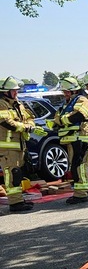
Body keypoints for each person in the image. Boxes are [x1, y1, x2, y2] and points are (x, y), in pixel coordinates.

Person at [0, 76, 46, 212]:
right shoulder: (1, 104)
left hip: (18, 146)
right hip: (7, 148)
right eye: (13, 91)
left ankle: (18, 199)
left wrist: (30, 125)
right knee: (12, 174)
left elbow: (30, 117)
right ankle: (15, 203)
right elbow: (7, 123)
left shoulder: (17, 103)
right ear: (5, 91)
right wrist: (26, 127)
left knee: (17, 174)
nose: (16, 93)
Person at [52, 76, 88, 204]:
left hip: (80, 138)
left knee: (78, 165)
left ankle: (80, 194)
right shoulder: (67, 104)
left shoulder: (82, 100)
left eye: (67, 92)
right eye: (64, 92)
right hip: (72, 139)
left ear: (74, 91)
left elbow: (79, 115)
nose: (65, 94)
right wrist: (61, 119)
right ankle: (85, 191)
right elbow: (56, 119)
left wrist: (63, 119)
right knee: (80, 166)